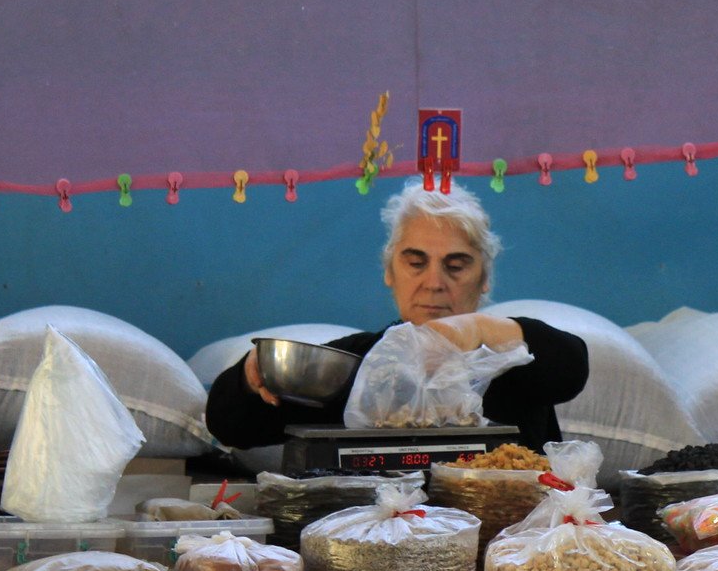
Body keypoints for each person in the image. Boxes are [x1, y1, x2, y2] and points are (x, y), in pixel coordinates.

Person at [206, 181, 588, 450]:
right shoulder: (354, 366)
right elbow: (231, 424)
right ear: (390, 271)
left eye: (456, 266)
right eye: (415, 263)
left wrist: (477, 328)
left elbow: (571, 365)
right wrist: (249, 375)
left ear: (484, 278)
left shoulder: (514, 364)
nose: (434, 283)